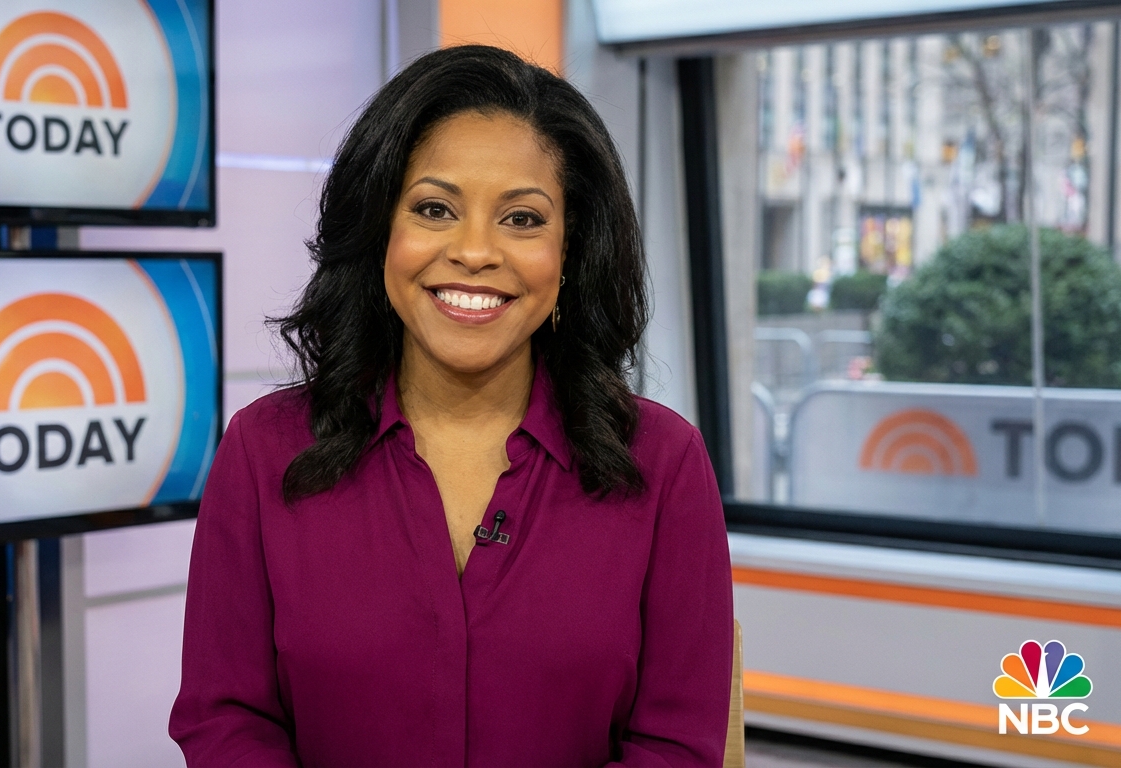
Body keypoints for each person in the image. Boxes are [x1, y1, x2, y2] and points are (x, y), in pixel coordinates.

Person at [169, 45, 733, 767]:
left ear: (571, 252)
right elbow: (226, 720)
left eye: (523, 220)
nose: (475, 252)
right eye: (435, 208)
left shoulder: (664, 462)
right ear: (380, 233)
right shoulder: (263, 450)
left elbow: (675, 746)